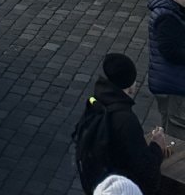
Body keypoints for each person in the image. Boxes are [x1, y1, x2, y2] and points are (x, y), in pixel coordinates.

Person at [73, 52, 171, 195]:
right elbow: (147, 174)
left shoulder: (96, 104)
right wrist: (157, 146)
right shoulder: (126, 121)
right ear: (131, 88)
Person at [148, 0, 185, 130]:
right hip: (173, 85)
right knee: (176, 127)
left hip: (172, 81)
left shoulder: (176, 10)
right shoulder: (167, 17)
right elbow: (171, 52)